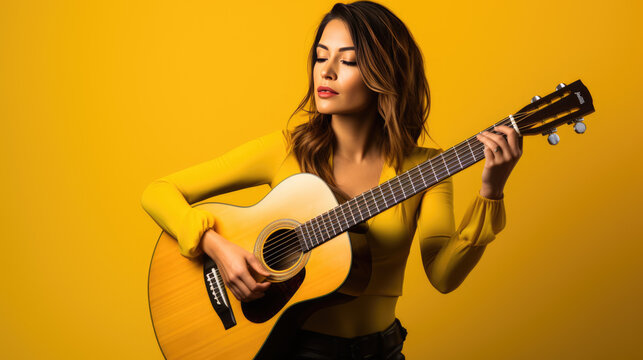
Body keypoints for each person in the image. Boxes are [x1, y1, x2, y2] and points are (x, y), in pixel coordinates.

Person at [140, 1, 522, 359]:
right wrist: (217, 248)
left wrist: (491, 192)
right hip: (292, 349)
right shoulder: (285, 149)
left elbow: (443, 276)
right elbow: (159, 192)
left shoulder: (426, 169)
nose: (326, 71)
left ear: (385, 73)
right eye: (321, 56)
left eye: (349, 60)